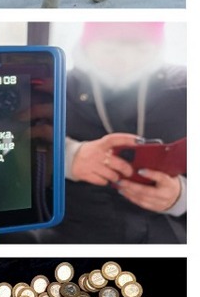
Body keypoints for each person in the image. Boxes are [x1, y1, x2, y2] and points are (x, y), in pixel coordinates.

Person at [39, 23, 185, 243]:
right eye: (110, 49)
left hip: (167, 237)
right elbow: (6, 152)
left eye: (141, 49)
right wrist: (68, 157)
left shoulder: (185, 88)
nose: (126, 61)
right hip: (70, 232)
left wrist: (182, 198)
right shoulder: (51, 87)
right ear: (87, 45)